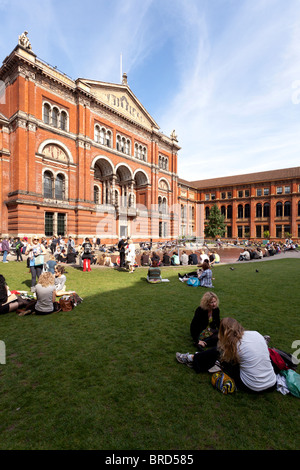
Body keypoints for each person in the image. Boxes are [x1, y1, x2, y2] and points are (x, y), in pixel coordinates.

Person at [176, 317, 277, 393]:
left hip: (252, 387)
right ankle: (195, 358)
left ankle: (191, 358)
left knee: (219, 354)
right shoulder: (256, 334)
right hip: (272, 383)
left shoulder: (233, 345)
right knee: (227, 356)